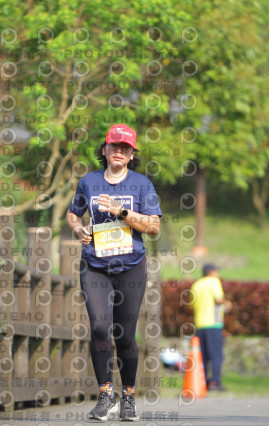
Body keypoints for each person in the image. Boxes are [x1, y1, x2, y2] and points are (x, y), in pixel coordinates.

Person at [66, 124, 162, 422]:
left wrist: (123, 212)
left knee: (125, 334)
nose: (119, 151)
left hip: (131, 266)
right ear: (104, 150)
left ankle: (129, 396)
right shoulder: (89, 182)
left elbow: (154, 227)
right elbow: (73, 212)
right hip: (95, 265)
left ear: (133, 154)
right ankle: (105, 393)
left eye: (126, 148)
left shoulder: (142, 185)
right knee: (98, 327)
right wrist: (78, 228)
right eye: (114, 146)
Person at [190, 262, 232, 391]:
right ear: (211, 272)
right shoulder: (213, 282)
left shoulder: (196, 285)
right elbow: (219, 299)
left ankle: (204, 382)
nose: (218, 274)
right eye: (216, 271)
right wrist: (227, 303)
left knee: (203, 355)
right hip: (213, 323)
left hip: (199, 324)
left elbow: (192, 305)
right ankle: (215, 382)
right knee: (216, 355)